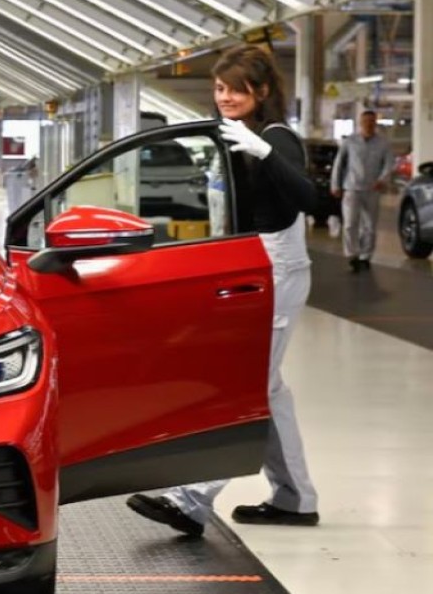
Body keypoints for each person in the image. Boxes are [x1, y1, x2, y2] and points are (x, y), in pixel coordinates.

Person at [126, 44, 320, 537]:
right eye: (219, 88)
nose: (226, 97)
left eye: (236, 88)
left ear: (263, 91)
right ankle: (295, 497)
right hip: (246, 265)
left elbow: (309, 197)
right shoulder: (232, 136)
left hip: (276, 270)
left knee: (246, 382)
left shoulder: (274, 137)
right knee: (267, 387)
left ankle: (193, 500)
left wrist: (267, 154)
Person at [331, 110, 394, 272]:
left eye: (372, 122)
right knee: (350, 224)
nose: (369, 124)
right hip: (351, 188)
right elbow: (339, 164)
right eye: (365, 121)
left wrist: (382, 179)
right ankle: (352, 255)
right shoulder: (350, 142)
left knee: (370, 226)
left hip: (372, 189)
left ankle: (366, 255)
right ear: (360, 123)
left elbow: (388, 164)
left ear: (375, 123)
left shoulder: (383, 143)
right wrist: (335, 185)